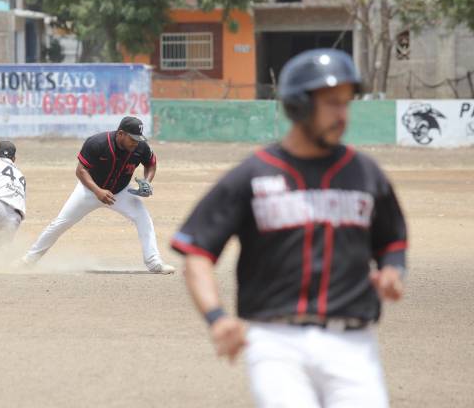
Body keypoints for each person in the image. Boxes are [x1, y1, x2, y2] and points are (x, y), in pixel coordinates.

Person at [172, 49, 407, 407]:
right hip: (276, 341)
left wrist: (393, 269)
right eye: (331, 103)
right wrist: (217, 319)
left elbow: (392, 239)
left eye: (346, 103)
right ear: (298, 105)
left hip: (354, 343)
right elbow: (198, 253)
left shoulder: (365, 173)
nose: (342, 114)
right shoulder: (253, 175)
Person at [21, 116, 175, 274]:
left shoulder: (140, 147)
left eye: (138, 139)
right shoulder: (97, 143)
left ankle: (154, 263)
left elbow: (151, 164)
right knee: (60, 223)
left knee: (144, 219)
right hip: (89, 190)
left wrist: (147, 181)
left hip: (120, 192)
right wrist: (97, 191)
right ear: (121, 133)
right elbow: (80, 171)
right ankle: (28, 260)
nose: (136, 143)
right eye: (132, 139)